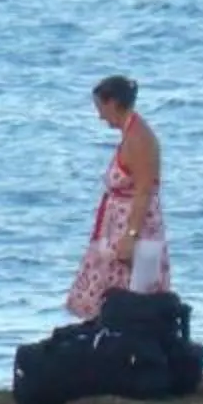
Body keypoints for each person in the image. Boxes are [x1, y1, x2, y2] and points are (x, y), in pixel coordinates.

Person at [68, 74, 169, 317]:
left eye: (100, 108)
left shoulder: (139, 139)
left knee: (134, 295)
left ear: (112, 103)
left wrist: (131, 236)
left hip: (135, 227)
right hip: (118, 225)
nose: (100, 116)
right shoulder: (131, 133)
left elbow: (144, 190)